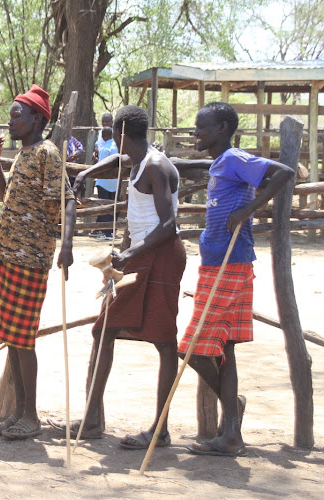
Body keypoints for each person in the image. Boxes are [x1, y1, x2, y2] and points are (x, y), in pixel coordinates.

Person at [49, 105, 186, 449]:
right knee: (104, 331)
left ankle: (160, 429)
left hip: (159, 257)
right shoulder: (138, 158)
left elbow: (168, 226)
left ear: (122, 134)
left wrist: (129, 254)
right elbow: (117, 162)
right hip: (142, 255)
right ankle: (93, 419)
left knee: (164, 342)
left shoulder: (154, 166)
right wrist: (86, 173)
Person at [177, 102, 293, 457]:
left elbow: (284, 171)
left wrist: (248, 209)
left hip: (231, 264)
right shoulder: (218, 163)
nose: (195, 133)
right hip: (216, 262)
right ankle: (231, 434)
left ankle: (232, 412)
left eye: (201, 127)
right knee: (223, 351)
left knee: (191, 349)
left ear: (222, 128)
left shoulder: (234, 159)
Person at [0, 85, 76, 441]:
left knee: (24, 339)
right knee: (12, 337)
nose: (11, 121)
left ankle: (31, 416)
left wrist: (66, 246)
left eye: (16, 115)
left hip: (31, 257)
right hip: (7, 254)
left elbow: (67, 200)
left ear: (37, 118)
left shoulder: (47, 153)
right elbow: (12, 199)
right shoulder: (25, 153)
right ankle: (19, 412)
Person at [92, 126, 119, 240]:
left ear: (103, 136)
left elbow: (102, 165)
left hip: (104, 182)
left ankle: (105, 231)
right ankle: (110, 230)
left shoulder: (105, 149)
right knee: (113, 205)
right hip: (115, 181)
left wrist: (95, 160)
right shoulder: (118, 147)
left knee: (104, 206)